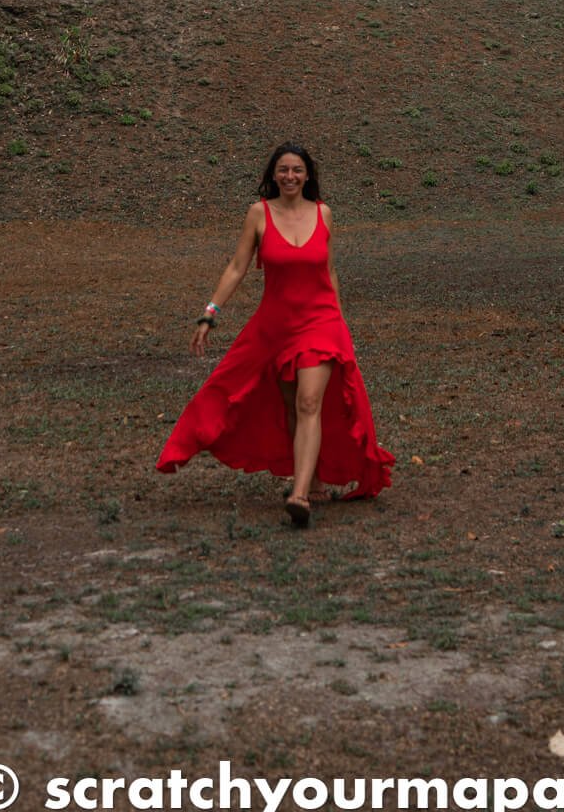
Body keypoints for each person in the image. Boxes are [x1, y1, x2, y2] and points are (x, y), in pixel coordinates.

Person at [156, 143, 394, 526]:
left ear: (308, 176)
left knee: (309, 402)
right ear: (272, 175)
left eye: (297, 170)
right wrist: (209, 314)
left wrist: (339, 323)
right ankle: (311, 478)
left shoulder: (324, 214)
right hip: (276, 326)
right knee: (288, 407)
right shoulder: (258, 214)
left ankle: (299, 496)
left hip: (320, 322)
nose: (289, 176)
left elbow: (329, 271)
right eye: (283, 170)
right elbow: (236, 268)